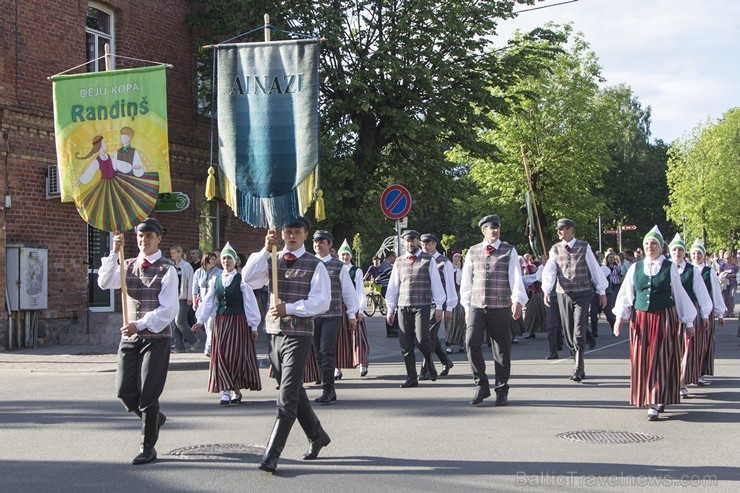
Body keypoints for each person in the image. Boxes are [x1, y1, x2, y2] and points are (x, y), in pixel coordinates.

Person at [242, 217, 331, 473]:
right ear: (281, 234)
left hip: (299, 334)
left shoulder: (316, 265)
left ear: (305, 235)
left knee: (287, 396)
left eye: (297, 232)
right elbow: (248, 279)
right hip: (274, 333)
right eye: (288, 232)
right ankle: (317, 435)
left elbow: (321, 302)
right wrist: (264, 249)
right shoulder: (273, 258)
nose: (291, 236)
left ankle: (271, 454)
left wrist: (289, 308)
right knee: (292, 389)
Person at [97, 217, 178, 465]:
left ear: (158, 239)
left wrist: (140, 324)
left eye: (149, 236)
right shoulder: (127, 264)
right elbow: (103, 282)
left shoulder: (167, 269)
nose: (144, 240)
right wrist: (113, 252)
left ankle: (147, 447)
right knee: (124, 390)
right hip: (130, 336)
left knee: (149, 394)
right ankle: (154, 418)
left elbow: (169, 310)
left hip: (156, 337)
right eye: (140, 236)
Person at [613, 226, 697, 421]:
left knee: (661, 358)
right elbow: (627, 294)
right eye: (647, 243)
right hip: (641, 319)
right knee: (642, 359)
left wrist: (689, 322)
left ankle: (658, 399)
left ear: (660, 247)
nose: (649, 246)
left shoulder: (669, 268)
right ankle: (649, 399)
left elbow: (679, 295)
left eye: (653, 243)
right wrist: (619, 318)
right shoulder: (636, 267)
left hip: (664, 318)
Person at [460, 215, 528, 406]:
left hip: (500, 306)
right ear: (484, 231)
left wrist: (517, 301)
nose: (495, 230)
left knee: (502, 349)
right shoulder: (473, 252)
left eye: (497, 227)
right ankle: (481, 385)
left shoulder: (509, 251)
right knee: (471, 342)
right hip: (477, 305)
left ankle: (501, 389)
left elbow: (515, 277)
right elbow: (466, 282)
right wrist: (466, 306)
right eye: (491, 228)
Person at [194, 243, 262, 405]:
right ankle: (225, 390)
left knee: (235, 355)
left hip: (238, 321)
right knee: (221, 355)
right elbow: (209, 301)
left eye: (229, 258)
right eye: (223, 258)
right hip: (221, 321)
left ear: (234, 261)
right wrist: (200, 320)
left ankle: (235, 389)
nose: (226, 261)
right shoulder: (215, 280)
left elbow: (250, 304)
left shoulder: (241, 281)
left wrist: (253, 326)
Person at [542, 218, 608, 382]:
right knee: (569, 331)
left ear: (571, 230)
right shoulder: (555, 249)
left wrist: (602, 291)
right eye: (558, 230)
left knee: (579, 329)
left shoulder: (584, 247)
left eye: (562, 229)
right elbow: (550, 270)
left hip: (582, 293)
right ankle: (577, 359)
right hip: (563, 293)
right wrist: (547, 289)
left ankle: (578, 367)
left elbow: (594, 268)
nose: (559, 232)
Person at [385, 230, 446, 388]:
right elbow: (393, 287)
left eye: (413, 240)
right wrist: (390, 309)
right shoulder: (399, 261)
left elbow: (436, 284)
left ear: (418, 241)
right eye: (407, 241)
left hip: (422, 305)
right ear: (404, 243)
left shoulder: (428, 259)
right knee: (405, 343)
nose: (410, 243)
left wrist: (439, 306)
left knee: (421, 339)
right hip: (403, 305)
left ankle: (429, 363)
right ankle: (411, 377)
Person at [311, 230, 358, 403]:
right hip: (313, 314)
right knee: (317, 352)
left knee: (326, 350)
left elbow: (348, 291)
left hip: (332, 314)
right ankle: (325, 385)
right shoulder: (309, 263)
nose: (318, 244)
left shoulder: (338, 266)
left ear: (330, 245)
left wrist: (351, 314)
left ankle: (328, 389)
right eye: (316, 242)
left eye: (322, 242)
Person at [668, 234, 712, 399]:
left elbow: (701, 293)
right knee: (670, 347)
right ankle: (671, 380)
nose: (677, 252)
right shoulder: (664, 268)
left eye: (680, 249)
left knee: (687, 347)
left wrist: (705, 314)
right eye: (674, 249)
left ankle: (683, 382)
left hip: (689, 312)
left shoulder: (692, 270)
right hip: (670, 312)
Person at [689, 239, 726, 387]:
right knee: (689, 343)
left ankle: (699, 372)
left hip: (706, 310)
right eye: (693, 253)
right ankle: (688, 371)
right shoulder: (686, 269)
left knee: (703, 342)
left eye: (699, 253)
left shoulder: (708, 271)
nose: (696, 256)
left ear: (704, 256)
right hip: (690, 309)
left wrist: (720, 313)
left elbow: (716, 292)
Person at [420, 234, 456, 379]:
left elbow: (450, 285)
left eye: (428, 244)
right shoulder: (420, 260)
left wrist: (449, 307)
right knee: (429, 337)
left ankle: (425, 369)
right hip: (422, 303)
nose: (426, 247)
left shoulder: (443, 262)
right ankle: (446, 361)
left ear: (435, 244)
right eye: (423, 244)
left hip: (438, 304)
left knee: (427, 336)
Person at [338, 240, 371, 377]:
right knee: (339, 339)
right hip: (339, 307)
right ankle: (337, 368)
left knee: (358, 337)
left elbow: (360, 290)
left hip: (354, 307)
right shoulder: (337, 269)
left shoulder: (356, 271)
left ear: (350, 256)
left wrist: (361, 309)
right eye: (342, 255)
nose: (345, 257)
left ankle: (362, 363)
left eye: (347, 255)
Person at [192, 251, 222, 356]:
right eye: (212, 259)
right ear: (206, 260)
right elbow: (195, 287)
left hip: (214, 302)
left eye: (215, 259)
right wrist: (194, 300)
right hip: (202, 302)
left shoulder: (219, 272)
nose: (214, 261)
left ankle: (208, 349)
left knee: (210, 325)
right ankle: (212, 346)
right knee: (205, 325)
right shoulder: (198, 272)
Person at [170, 245, 198, 353]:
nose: (172, 255)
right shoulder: (171, 266)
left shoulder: (186, 266)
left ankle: (193, 339)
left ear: (180, 253)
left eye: (174, 252)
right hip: (173, 297)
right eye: (171, 253)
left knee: (179, 320)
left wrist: (190, 297)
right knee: (173, 323)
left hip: (183, 297)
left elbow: (191, 282)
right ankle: (179, 346)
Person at [590, 252, 619, 339]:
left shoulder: (604, 268)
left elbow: (598, 280)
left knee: (609, 313)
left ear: (598, 260)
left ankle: (615, 330)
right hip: (595, 294)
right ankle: (594, 332)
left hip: (606, 294)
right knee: (593, 313)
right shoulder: (590, 269)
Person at [446, 251, 466, 354]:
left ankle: (462, 342)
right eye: (455, 257)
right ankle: (450, 343)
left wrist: (458, 269)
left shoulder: (462, 270)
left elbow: (460, 282)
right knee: (451, 320)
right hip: (451, 296)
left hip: (460, 295)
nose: (457, 258)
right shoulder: (449, 269)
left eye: (459, 257)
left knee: (461, 319)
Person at [378, 252, 398, 337]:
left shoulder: (385, 265)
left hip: (386, 288)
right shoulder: (386, 266)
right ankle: (392, 329)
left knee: (392, 308)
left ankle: (392, 329)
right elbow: (393, 277)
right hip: (387, 288)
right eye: (394, 257)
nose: (395, 259)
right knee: (391, 308)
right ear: (390, 257)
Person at [719, 250, 737, 318]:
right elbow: (720, 274)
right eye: (725, 258)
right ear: (723, 258)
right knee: (725, 298)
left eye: (728, 258)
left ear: (730, 258)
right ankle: (726, 312)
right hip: (725, 284)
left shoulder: (734, 266)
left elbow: (735, 275)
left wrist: (728, 275)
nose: (727, 259)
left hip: (733, 283)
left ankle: (731, 311)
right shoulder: (722, 266)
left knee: (731, 296)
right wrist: (728, 275)